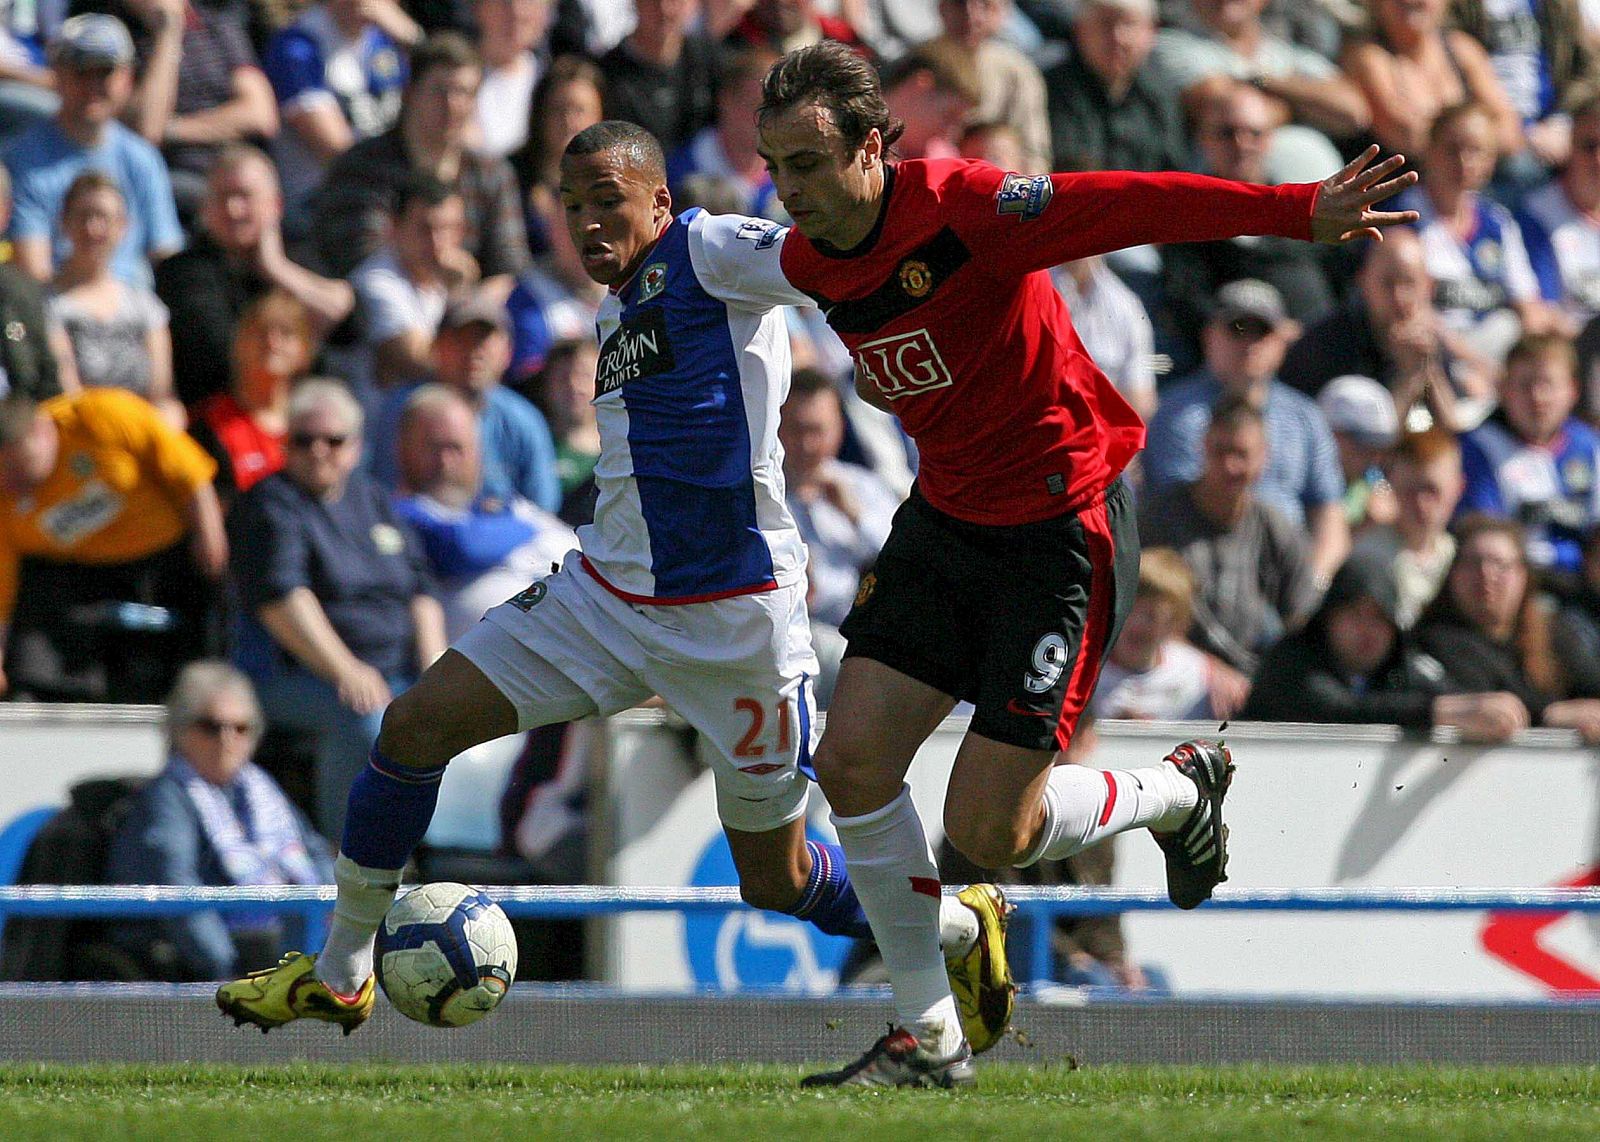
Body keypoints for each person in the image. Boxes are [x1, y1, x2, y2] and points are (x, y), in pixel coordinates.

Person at [217, 121, 1014, 1059]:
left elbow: (833, 255)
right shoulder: (615, 309)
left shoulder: (712, 250)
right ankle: (341, 972)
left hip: (737, 626)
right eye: (573, 206)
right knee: (413, 726)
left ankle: (958, 926)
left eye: (609, 201)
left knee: (778, 878)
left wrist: (941, 257)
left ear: (661, 202)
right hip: (605, 599)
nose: (589, 222)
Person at [749, 42, 1413, 1085]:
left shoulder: (967, 207)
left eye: (807, 164)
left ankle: (1177, 792)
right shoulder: (800, 254)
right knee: (852, 765)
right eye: (774, 166)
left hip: (1061, 529)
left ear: (873, 150)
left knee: (988, 827)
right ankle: (927, 1035)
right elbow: (703, 265)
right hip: (945, 520)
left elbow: (1128, 204)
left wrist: (1294, 210)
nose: (788, 189)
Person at [227, 378, 446, 837]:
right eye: (303, 440)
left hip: (397, 674)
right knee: (369, 723)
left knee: (462, 715)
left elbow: (421, 589)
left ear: (357, 447)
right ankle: (348, 858)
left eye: (333, 440)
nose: (318, 451)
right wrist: (346, 670)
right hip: (296, 675)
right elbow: (282, 599)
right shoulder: (271, 503)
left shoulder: (373, 499)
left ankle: (446, 856)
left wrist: (437, 674)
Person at [106, 661, 334, 981]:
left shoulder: (260, 788)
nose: (227, 739)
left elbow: (314, 853)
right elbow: (178, 887)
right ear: (180, 730)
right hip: (220, 962)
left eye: (241, 728)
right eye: (211, 727)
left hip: (286, 950)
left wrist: (337, 933)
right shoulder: (168, 796)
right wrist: (229, 974)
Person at [0, 387, 227, 701]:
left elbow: (189, 473)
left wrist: (209, 535)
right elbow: (3, 594)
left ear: (42, 431)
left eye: (18, 468)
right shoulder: (5, 496)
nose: (10, 483)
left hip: (164, 556)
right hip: (77, 576)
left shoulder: (101, 415)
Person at [1144, 278, 1351, 582]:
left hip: (1287, 574)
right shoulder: (1177, 414)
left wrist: (1313, 585)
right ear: (1209, 336)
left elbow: (1329, 512)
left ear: (1281, 341)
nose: (1249, 343)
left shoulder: (1305, 417)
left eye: (1262, 331)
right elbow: (1181, 509)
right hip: (1198, 569)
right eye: (1237, 329)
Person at [1240, 548, 1532, 739]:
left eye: (1380, 619)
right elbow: (1339, 710)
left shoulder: (1401, 669)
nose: (1367, 630)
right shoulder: (1289, 662)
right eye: (1355, 614)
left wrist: (1541, 714)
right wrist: (1437, 712)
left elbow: (1456, 696)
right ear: (1328, 618)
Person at [311, 33, 530, 284]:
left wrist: (476, 295)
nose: (452, 105)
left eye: (464, 92)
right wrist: (435, 268)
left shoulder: (493, 174)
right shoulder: (363, 167)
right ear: (410, 92)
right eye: (439, 91)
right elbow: (360, 259)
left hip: (471, 300)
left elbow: (511, 269)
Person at [153, 145, 353, 407]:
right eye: (222, 198)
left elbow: (350, 327)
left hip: (300, 414)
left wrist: (277, 269)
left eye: (245, 196)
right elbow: (220, 356)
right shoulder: (183, 272)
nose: (233, 209)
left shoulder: (298, 258)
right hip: (221, 414)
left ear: (276, 205)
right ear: (205, 208)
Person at [1141, 398, 1321, 682]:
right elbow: (1136, 612)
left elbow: (1302, 618)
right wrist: (1209, 670)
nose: (1230, 465)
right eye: (1220, 451)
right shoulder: (1159, 520)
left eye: (1241, 454)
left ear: (1264, 456)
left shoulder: (1276, 529)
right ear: (1202, 448)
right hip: (1171, 672)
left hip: (1254, 678)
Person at [3, 13, 183, 288]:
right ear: (57, 75)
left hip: (136, 303)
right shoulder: (22, 160)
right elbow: (34, 272)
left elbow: (166, 253)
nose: (93, 86)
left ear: (127, 77)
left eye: (105, 72)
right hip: (58, 302)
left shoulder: (142, 158)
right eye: (81, 72)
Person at [391, 383, 576, 640]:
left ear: (477, 452)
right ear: (403, 450)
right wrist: (527, 526)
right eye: (433, 448)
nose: (445, 462)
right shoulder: (399, 513)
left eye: (456, 448)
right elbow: (464, 545)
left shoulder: (502, 507)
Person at [1412, 513, 1600, 741]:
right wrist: (1549, 714)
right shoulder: (1432, 640)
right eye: (1473, 563)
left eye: (1500, 564)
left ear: (1524, 575)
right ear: (1453, 573)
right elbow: (1484, 704)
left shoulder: (1556, 634)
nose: (1486, 574)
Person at [1278, 227, 1485, 433]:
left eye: (1409, 283)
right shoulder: (1325, 345)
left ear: (1428, 287)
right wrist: (1408, 377)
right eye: (1387, 283)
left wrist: (1425, 368)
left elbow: (1452, 427)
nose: (1399, 298)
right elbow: (1365, 444)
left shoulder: (1427, 338)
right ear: (1363, 282)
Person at [368, 293, 561, 512]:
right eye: (462, 340)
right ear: (436, 347)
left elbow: (542, 510)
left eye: (484, 341)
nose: (474, 352)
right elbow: (382, 493)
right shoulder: (403, 409)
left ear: (507, 352)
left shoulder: (523, 419)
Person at [261, 0, 416, 227]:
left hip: (388, 194)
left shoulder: (388, 39)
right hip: (321, 204)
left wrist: (414, 40)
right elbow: (338, 152)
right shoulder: (298, 47)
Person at [1458, 332, 1600, 575]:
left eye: (1548, 384)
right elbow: (1483, 535)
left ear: (1572, 391)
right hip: (1514, 580)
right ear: (1504, 390)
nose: (1537, 397)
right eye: (1525, 385)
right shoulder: (1479, 448)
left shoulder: (1588, 445)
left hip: (1583, 582)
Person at [47, 171, 175, 420]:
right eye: (83, 216)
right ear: (64, 222)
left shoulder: (145, 306)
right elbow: (68, 395)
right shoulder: (48, 304)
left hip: (141, 425)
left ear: (122, 226)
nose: (93, 228)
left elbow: (162, 393)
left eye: (103, 217)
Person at [1341, 0, 1521, 159]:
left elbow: (1509, 131)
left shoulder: (1462, 49)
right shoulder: (1366, 55)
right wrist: (1477, 141)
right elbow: (1405, 135)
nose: (1411, 1)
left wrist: (1461, 146)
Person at [189, 290, 315, 504]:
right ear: (239, 344)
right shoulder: (209, 423)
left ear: (304, 351)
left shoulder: (316, 426)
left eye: (286, 333)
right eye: (261, 332)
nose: (272, 343)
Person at [1044, 0, 1186, 175]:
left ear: (1152, 32)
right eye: (1105, 24)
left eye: (1129, 24)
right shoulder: (1051, 89)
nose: (1118, 37)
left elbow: (1172, 169)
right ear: (1079, 30)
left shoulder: (1161, 95)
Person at [1089, 547, 1214, 721]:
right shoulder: (1084, 670)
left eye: (1152, 615)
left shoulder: (1194, 676)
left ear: (1177, 624)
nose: (1136, 624)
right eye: (1129, 608)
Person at [932, 0, 1050, 175]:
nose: (972, 15)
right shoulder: (919, 64)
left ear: (1004, 12)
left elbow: (1033, 151)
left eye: (985, 5)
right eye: (960, 4)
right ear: (941, 7)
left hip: (1000, 180)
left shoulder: (1017, 71)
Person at [597, 0, 716, 155]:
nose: (664, 10)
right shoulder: (606, 74)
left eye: (675, 1)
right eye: (653, 2)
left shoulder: (712, 62)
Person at [1316, 373, 1400, 532]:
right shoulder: (1304, 484)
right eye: (1363, 446)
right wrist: (1364, 524)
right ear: (1330, 435)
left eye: (1379, 448)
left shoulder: (1374, 481)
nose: (1374, 458)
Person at [473, 0, 551, 158]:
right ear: (479, 8)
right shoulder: (450, 78)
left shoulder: (551, 84)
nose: (517, 12)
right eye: (505, 3)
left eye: (528, 2)